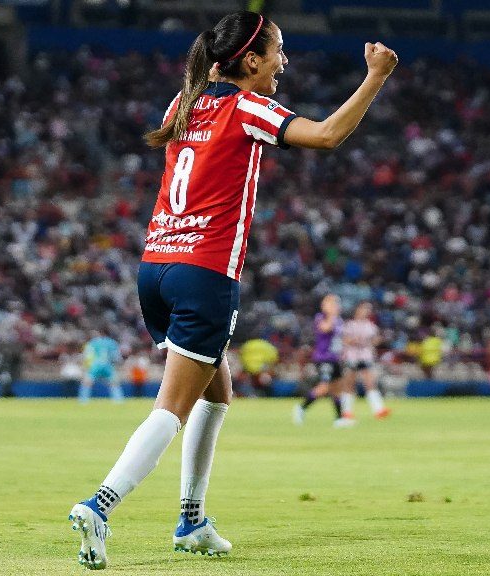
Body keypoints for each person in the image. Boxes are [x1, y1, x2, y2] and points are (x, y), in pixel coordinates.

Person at [68, 11, 397, 570]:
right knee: (171, 408)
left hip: (156, 266)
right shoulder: (247, 105)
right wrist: (376, 78)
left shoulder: (184, 103)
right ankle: (100, 505)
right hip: (204, 271)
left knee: (217, 395)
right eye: (278, 52)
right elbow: (327, 135)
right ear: (250, 60)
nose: (284, 62)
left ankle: (192, 520)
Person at [293, 294, 352, 427]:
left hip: (335, 358)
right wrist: (332, 315)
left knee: (337, 388)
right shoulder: (321, 318)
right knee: (324, 386)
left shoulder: (339, 320)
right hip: (324, 358)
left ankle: (339, 418)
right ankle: (301, 408)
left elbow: (341, 338)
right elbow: (326, 328)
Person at [340, 301, 391, 419]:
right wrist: (356, 341)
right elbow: (345, 340)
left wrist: (375, 341)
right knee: (349, 384)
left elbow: (375, 340)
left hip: (365, 356)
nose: (366, 312)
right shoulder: (350, 325)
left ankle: (379, 409)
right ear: (357, 310)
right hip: (352, 356)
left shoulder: (371, 326)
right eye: (364, 309)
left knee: (370, 383)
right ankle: (346, 411)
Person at [81, 331, 125, 403]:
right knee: (114, 383)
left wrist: (86, 365)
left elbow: (87, 355)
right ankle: (118, 401)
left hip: (95, 365)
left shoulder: (93, 342)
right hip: (107, 365)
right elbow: (116, 357)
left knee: (87, 383)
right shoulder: (112, 342)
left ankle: (83, 401)